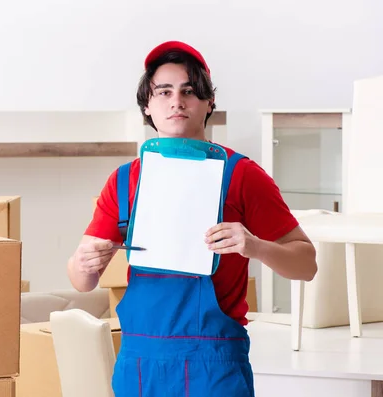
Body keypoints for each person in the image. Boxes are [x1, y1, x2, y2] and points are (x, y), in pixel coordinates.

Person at [67, 40, 318, 396]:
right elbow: (81, 281)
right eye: (163, 91)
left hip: (213, 363)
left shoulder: (242, 175)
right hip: (139, 362)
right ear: (147, 105)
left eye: (189, 91)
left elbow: (306, 265)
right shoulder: (124, 181)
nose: (176, 101)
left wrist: (256, 246)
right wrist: (84, 262)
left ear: (208, 102)